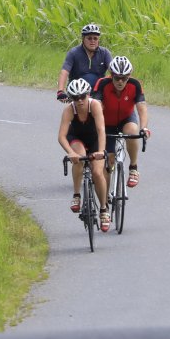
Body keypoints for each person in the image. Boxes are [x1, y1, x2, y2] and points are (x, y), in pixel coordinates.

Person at [57, 78, 111, 232]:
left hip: (95, 139)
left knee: (97, 172)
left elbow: (101, 130)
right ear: (71, 98)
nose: (80, 100)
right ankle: (76, 195)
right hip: (76, 138)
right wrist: (70, 152)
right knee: (79, 157)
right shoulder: (69, 110)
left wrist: (101, 151)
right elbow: (61, 136)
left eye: (82, 96)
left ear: (88, 95)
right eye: (75, 98)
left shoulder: (95, 105)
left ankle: (103, 209)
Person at [93, 55, 151, 189]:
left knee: (132, 132)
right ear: (111, 75)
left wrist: (144, 128)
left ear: (129, 76)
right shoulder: (102, 83)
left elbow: (142, 108)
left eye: (124, 78)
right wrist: (96, 127)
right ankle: (106, 193)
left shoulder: (135, 85)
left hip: (126, 118)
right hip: (107, 122)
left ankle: (133, 168)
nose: (120, 81)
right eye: (117, 78)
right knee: (110, 160)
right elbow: (96, 106)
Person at [56, 23, 112, 101]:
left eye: (95, 38)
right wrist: (60, 91)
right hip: (77, 91)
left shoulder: (105, 53)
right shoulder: (73, 53)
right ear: (83, 39)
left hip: (97, 92)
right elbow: (64, 72)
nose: (92, 41)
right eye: (89, 38)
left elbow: (113, 72)